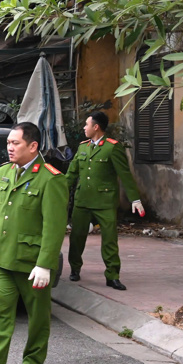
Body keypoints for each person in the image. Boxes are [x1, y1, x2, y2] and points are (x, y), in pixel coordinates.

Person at [0, 122, 67, 364]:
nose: (10, 148)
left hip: (32, 263)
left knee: (37, 317)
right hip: (4, 257)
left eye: (15, 143)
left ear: (33, 146)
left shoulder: (50, 178)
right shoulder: (4, 172)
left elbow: (54, 226)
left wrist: (46, 264)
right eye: (8, 143)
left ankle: (33, 362)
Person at [65, 111, 143, 290]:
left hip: (104, 202)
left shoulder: (112, 147)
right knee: (77, 238)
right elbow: (71, 174)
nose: (84, 128)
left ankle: (112, 275)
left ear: (96, 127)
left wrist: (135, 199)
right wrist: (58, 192)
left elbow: (125, 175)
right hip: (82, 201)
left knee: (109, 240)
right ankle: (75, 268)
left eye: (86, 124)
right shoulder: (83, 147)